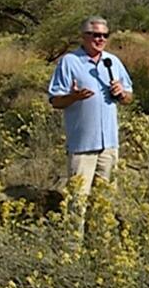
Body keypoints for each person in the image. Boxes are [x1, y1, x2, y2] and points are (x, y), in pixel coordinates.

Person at [48, 16, 133, 197]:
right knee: (78, 199)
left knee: (106, 200)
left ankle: (100, 227)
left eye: (104, 35)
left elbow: (129, 97)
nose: (100, 39)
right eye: (95, 35)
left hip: (109, 144)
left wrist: (122, 93)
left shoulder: (113, 62)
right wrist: (74, 97)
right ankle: (75, 227)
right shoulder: (69, 62)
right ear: (84, 36)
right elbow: (55, 100)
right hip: (82, 145)